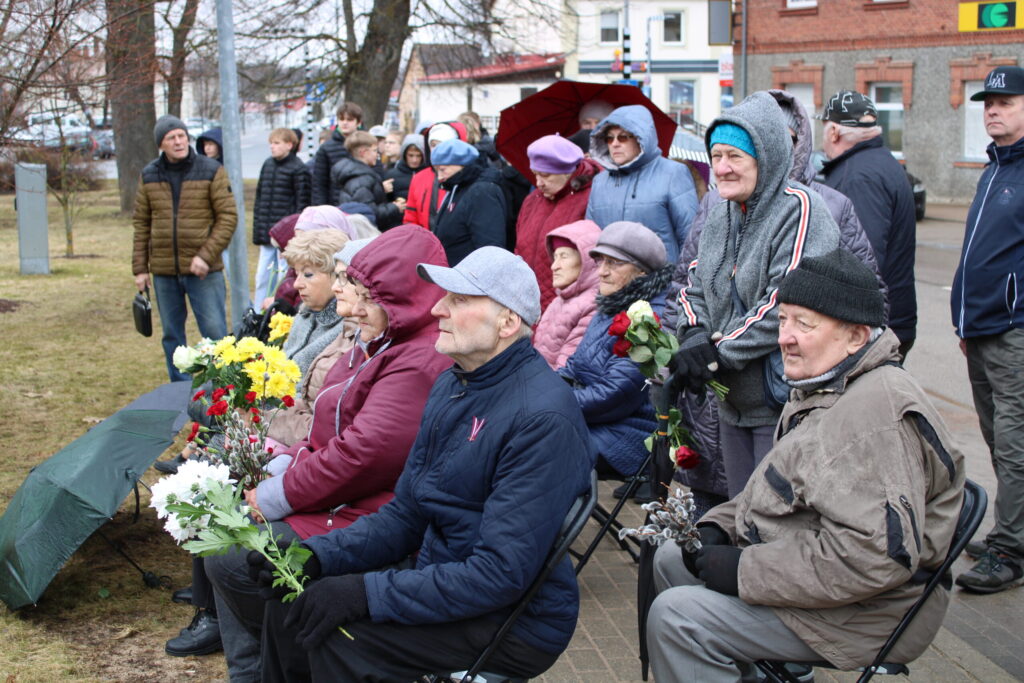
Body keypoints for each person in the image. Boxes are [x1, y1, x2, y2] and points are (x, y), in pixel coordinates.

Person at [251, 246, 593, 682]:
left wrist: (364, 593)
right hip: (448, 574)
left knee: (335, 635)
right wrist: (314, 556)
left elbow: (500, 574)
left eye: (459, 300)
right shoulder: (455, 382)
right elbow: (407, 513)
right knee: (291, 600)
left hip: (517, 619)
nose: (436, 308)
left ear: (507, 323)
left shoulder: (541, 418)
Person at [647, 248, 965, 682]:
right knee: (671, 558)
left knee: (677, 617)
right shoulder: (827, 382)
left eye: (805, 324)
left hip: (873, 611)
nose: (784, 337)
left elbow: (878, 558)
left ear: (856, 336)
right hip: (827, 579)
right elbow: (776, 491)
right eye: (783, 320)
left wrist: (745, 570)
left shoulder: (872, 418)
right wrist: (720, 525)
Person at [205, 225, 453, 682]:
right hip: (342, 495)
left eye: (364, 294)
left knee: (233, 553)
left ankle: (286, 656)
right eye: (351, 288)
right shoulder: (379, 343)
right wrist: (279, 468)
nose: (351, 303)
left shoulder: (414, 360)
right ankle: (256, 666)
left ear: (400, 299)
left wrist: (276, 494)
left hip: (369, 511)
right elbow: (326, 430)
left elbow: (363, 457)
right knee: (225, 533)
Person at [664, 88, 887, 515]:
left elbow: (783, 301)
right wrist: (692, 332)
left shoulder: (801, 209)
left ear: (764, 157)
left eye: (735, 157)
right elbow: (695, 281)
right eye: (716, 157)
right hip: (732, 399)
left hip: (781, 401)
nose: (722, 169)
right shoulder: (721, 212)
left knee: (774, 518)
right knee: (740, 512)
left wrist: (715, 351)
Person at [161, 227, 353, 657]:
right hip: (279, 430)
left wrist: (258, 413)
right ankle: (210, 600)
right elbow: (284, 378)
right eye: (295, 273)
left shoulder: (344, 327)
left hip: (295, 443)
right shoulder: (308, 317)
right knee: (213, 454)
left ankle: (217, 612)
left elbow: (310, 407)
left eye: (309, 274)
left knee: (224, 481)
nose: (297, 284)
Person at [951, 65, 1024, 593]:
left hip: (1014, 330)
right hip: (980, 330)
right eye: (987, 102)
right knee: (999, 440)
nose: (992, 110)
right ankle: (1012, 527)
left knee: (1016, 442)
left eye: (1006, 102)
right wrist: (964, 317)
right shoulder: (996, 167)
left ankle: (1012, 549)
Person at [560, 221, 673, 486]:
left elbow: (613, 397)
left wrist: (552, 404)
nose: (602, 272)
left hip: (628, 434)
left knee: (531, 449)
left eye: (614, 263)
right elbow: (573, 367)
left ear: (643, 272)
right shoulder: (610, 307)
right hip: (593, 422)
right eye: (600, 262)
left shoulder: (648, 320)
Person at [132, 115, 237, 382]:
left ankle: (221, 389)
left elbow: (227, 217)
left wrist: (205, 255)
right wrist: (140, 269)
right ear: (161, 144)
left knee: (215, 333)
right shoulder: (149, 175)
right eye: (171, 138)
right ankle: (179, 391)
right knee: (172, 335)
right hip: (164, 271)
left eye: (181, 135)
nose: (178, 142)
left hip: (204, 271)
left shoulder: (210, 169)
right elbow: (142, 224)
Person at [819, 89, 917, 358]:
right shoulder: (882, 163)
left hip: (870, 328)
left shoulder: (857, 178)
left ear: (834, 132)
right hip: (888, 321)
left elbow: (861, 261)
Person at [586, 105, 699, 263]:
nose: (615, 144)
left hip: (661, 283)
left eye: (623, 137)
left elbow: (690, 238)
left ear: (641, 138)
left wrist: (680, 283)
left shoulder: (673, 173)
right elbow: (591, 238)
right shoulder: (600, 181)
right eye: (609, 138)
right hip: (611, 281)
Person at [515, 134, 603, 309]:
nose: (539, 183)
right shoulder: (532, 200)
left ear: (567, 172)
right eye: (535, 174)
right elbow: (519, 247)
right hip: (526, 303)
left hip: (569, 306)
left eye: (546, 175)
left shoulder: (591, 198)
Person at [253, 127, 312, 306]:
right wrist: (259, 230)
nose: (272, 147)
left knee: (281, 276)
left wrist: (293, 238)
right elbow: (259, 199)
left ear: (289, 144)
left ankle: (277, 308)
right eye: (271, 143)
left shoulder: (299, 169)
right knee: (261, 276)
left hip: (286, 237)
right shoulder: (267, 165)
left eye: (277, 143)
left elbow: (301, 206)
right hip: (267, 233)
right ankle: (257, 311)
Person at [533, 220, 601, 370]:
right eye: (555, 257)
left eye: (563, 256)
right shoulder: (559, 301)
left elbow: (566, 370)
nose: (554, 266)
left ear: (586, 260)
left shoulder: (593, 306)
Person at [430, 138, 508, 264]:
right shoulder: (457, 187)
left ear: (461, 164)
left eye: (442, 169)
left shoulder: (481, 192)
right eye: (436, 170)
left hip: (470, 278)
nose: (439, 177)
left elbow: (490, 248)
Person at [330, 130, 404, 229]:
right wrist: (394, 207)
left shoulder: (354, 173)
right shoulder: (361, 179)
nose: (377, 155)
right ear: (363, 152)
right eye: (374, 151)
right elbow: (368, 212)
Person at [403, 120, 469, 228]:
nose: (438, 149)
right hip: (424, 240)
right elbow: (410, 217)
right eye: (433, 145)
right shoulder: (419, 178)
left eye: (443, 144)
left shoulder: (463, 177)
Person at [312, 102, 363, 205]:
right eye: (341, 119)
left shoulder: (367, 144)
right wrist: (322, 208)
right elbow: (319, 182)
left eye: (349, 120)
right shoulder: (326, 148)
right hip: (335, 203)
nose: (345, 123)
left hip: (362, 201)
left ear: (358, 122)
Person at [383, 133, 424, 202]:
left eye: (418, 156)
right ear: (404, 155)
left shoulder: (430, 174)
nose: (414, 160)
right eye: (411, 155)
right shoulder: (391, 175)